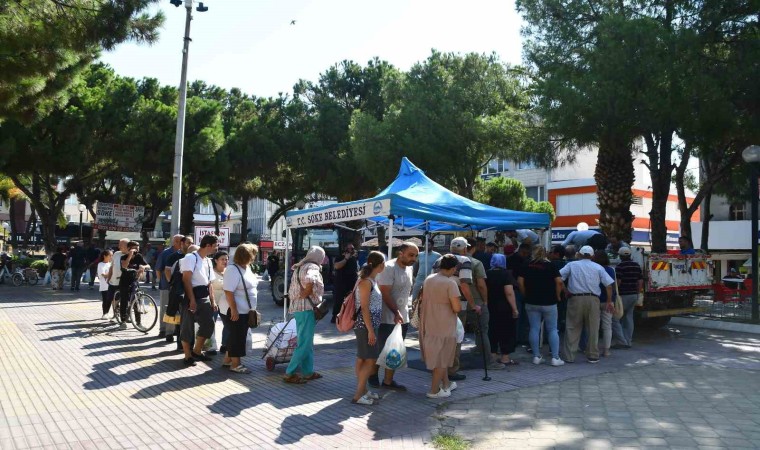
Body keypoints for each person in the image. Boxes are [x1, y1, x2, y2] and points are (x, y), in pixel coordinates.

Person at [370, 242, 419, 390]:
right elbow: (384, 292)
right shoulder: (389, 267)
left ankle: (388, 381)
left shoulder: (409, 268)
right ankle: (372, 376)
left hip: (402, 317)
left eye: (416, 256)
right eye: (411, 255)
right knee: (381, 349)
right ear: (400, 253)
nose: (414, 258)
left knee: (395, 351)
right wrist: (396, 312)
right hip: (386, 317)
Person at [559, 245, 615, 363]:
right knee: (593, 328)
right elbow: (609, 285)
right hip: (593, 299)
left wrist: (565, 290)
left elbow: (559, 279)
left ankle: (570, 356)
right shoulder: (598, 267)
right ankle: (593, 355)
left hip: (575, 298)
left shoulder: (571, 265)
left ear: (579, 254)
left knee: (572, 327)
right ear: (592, 256)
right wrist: (609, 301)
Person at [432, 237, 475, 382]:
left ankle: (438, 368)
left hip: (438, 304)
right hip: (457, 304)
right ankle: (451, 369)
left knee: (441, 338)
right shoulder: (464, 260)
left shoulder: (438, 260)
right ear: (465, 248)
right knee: (456, 337)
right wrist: (473, 304)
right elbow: (464, 285)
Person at [420, 254, 462, 399]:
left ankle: (446, 384)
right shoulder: (450, 283)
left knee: (438, 356)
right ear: (454, 268)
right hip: (445, 323)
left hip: (429, 321)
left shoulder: (429, 279)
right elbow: (456, 307)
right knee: (442, 359)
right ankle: (433, 391)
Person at [284, 245, 326, 384]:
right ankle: (290, 373)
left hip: (299, 309)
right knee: (304, 343)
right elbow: (310, 279)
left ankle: (308, 372)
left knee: (306, 341)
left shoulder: (300, 266)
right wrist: (307, 291)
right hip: (307, 309)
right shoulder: (313, 267)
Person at [518, 246, 565, 366]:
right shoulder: (551, 265)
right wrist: (558, 296)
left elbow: (520, 282)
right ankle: (555, 357)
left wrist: (525, 294)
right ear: (545, 253)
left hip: (531, 301)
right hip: (549, 301)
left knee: (534, 328)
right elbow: (559, 281)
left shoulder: (526, 264)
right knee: (553, 329)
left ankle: (536, 356)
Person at [351, 251, 385, 405]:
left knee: (364, 358)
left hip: (368, 324)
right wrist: (371, 330)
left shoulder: (371, 280)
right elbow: (364, 307)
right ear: (380, 265)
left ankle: (363, 390)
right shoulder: (366, 282)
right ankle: (359, 394)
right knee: (370, 360)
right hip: (365, 325)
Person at [180, 235, 219, 367]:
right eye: (215, 246)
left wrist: (213, 300)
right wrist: (192, 300)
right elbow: (186, 280)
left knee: (209, 325)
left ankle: (197, 351)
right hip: (191, 295)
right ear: (208, 245)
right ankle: (187, 356)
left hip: (204, 296)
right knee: (187, 327)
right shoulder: (190, 258)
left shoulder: (208, 261)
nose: (217, 248)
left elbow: (209, 283)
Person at [465, 237, 504, 370]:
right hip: (475, 300)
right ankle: (489, 361)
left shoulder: (446, 260)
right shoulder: (475, 262)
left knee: (455, 333)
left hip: (455, 300)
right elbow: (481, 285)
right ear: (474, 247)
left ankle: (452, 363)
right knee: (482, 330)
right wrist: (485, 300)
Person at [222, 243, 258, 374]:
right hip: (236, 310)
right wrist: (234, 309)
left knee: (237, 335)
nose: (254, 257)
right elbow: (228, 291)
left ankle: (228, 360)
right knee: (237, 337)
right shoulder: (232, 269)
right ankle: (235, 364)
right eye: (253, 254)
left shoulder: (246, 267)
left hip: (245, 310)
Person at [486, 253, 519, 365]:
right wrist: (514, 309)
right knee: (506, 332)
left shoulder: (487, 273)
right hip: (504, 308)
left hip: (490, 306)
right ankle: (505, 357)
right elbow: (509, 292)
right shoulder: (507, 274)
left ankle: (493, 355)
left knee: (492, 331)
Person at [611, 247, 643, 349]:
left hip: (623, 295)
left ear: (620, 256)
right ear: (630, 255)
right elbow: (640, 281)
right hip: (634, 295)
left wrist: (614, 293)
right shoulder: (636, 265)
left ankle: (621, 341)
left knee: (615, 318)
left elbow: (618, 282)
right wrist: (638, 293)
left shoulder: (620, 266)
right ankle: (628, 341)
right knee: (629, 318)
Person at [156, 234, 183, 342]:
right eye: (179, 241)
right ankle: (163, 330)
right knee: (165, 308)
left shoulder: (185, 254)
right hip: (166, 286)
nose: (181, 243)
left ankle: (173, 330)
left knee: (176, 309)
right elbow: (158, 269)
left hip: (179, 287)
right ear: (174, 242)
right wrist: (162, 281)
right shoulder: (166, 253)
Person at [118, 241, 151, 330]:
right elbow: (124, 266)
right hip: (124, 281)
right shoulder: (123, 257)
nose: (137, 249)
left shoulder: (139, 256)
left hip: (134, 281)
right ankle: (123, 321)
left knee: (136, 301)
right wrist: (130, 255)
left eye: (138, 248)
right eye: (135, 248)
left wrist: (144, 267)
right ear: (129, 248)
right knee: (124, 301)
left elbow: (148, 265)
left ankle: (138, 323)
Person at [593, 251, 617, 357]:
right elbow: (612, 285)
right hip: (609, 300)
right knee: (607, 325)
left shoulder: (594, 269)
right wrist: (610, 300)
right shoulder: (611, 270)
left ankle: (594, 348)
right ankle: (606, 350)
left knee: (594, 326)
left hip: (595, 299)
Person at [508, 243, 532, 345]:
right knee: (518, 315)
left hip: (522, 289)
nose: (525, 255)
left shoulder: (528, 260)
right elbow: (510, 274)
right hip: (516, 290)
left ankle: (521, 337)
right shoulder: (513, 259)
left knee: (523, 316)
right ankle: (517, 338)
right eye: (524, 253)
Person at [332, 243, 359, 323]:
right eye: (350, 248)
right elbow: (336, 266)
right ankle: (336, 318)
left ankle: (349, 318)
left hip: (352, 283)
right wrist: (346, 259)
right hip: (341, 283)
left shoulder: (354, 258)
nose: (352, 250)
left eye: (353, 248)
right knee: (339, 301)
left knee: (352, 301)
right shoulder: (340, 257)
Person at [207, 251, 228, 355]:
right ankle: (210, 347)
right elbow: (208, 288)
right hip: (213, 302)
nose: (225, 261)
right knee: (211, 324)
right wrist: (212, 301)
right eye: (222, 259)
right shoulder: (211, 272)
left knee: (228, 324)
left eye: (226, 259)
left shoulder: (229, 272)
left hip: (226, 303)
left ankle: (225, 345)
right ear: (216, 260)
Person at [106, 239, 130, 319]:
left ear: (127, 246)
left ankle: (125, 315)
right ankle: (115, 313)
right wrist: (108, 278)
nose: (118, 246)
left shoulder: (131, 255)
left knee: (125, 299)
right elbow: (111, 267)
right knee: (112, 298)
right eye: (119, 244)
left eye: (120, 245)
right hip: (113, 281)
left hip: (124, 282)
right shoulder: (116, 254)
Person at [97, 250, 113, 319]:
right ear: (104, 256)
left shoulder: (111, 264)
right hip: (104, 285)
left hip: (111, 285)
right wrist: (111, 273)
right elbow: (103, 274)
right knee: (105, 300)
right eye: (110, 255)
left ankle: (107, 313)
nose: (111, 257)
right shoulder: (100, 264)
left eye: (112, 255)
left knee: (110, 300)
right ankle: (104, 314)